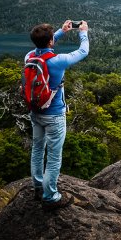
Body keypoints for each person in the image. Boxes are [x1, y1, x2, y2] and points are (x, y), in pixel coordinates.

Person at [25, 19, 89, 210]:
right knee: (53, 156)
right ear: (51, 41)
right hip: (54, 115)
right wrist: (82, 32)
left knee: (37, 150)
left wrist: (60, 32)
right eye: (53, 39)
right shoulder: (58, 61)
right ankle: (50, 196)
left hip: (35, 112)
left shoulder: (29, 57)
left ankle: (38, 187)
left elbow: (43, 46)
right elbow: (83, 51)